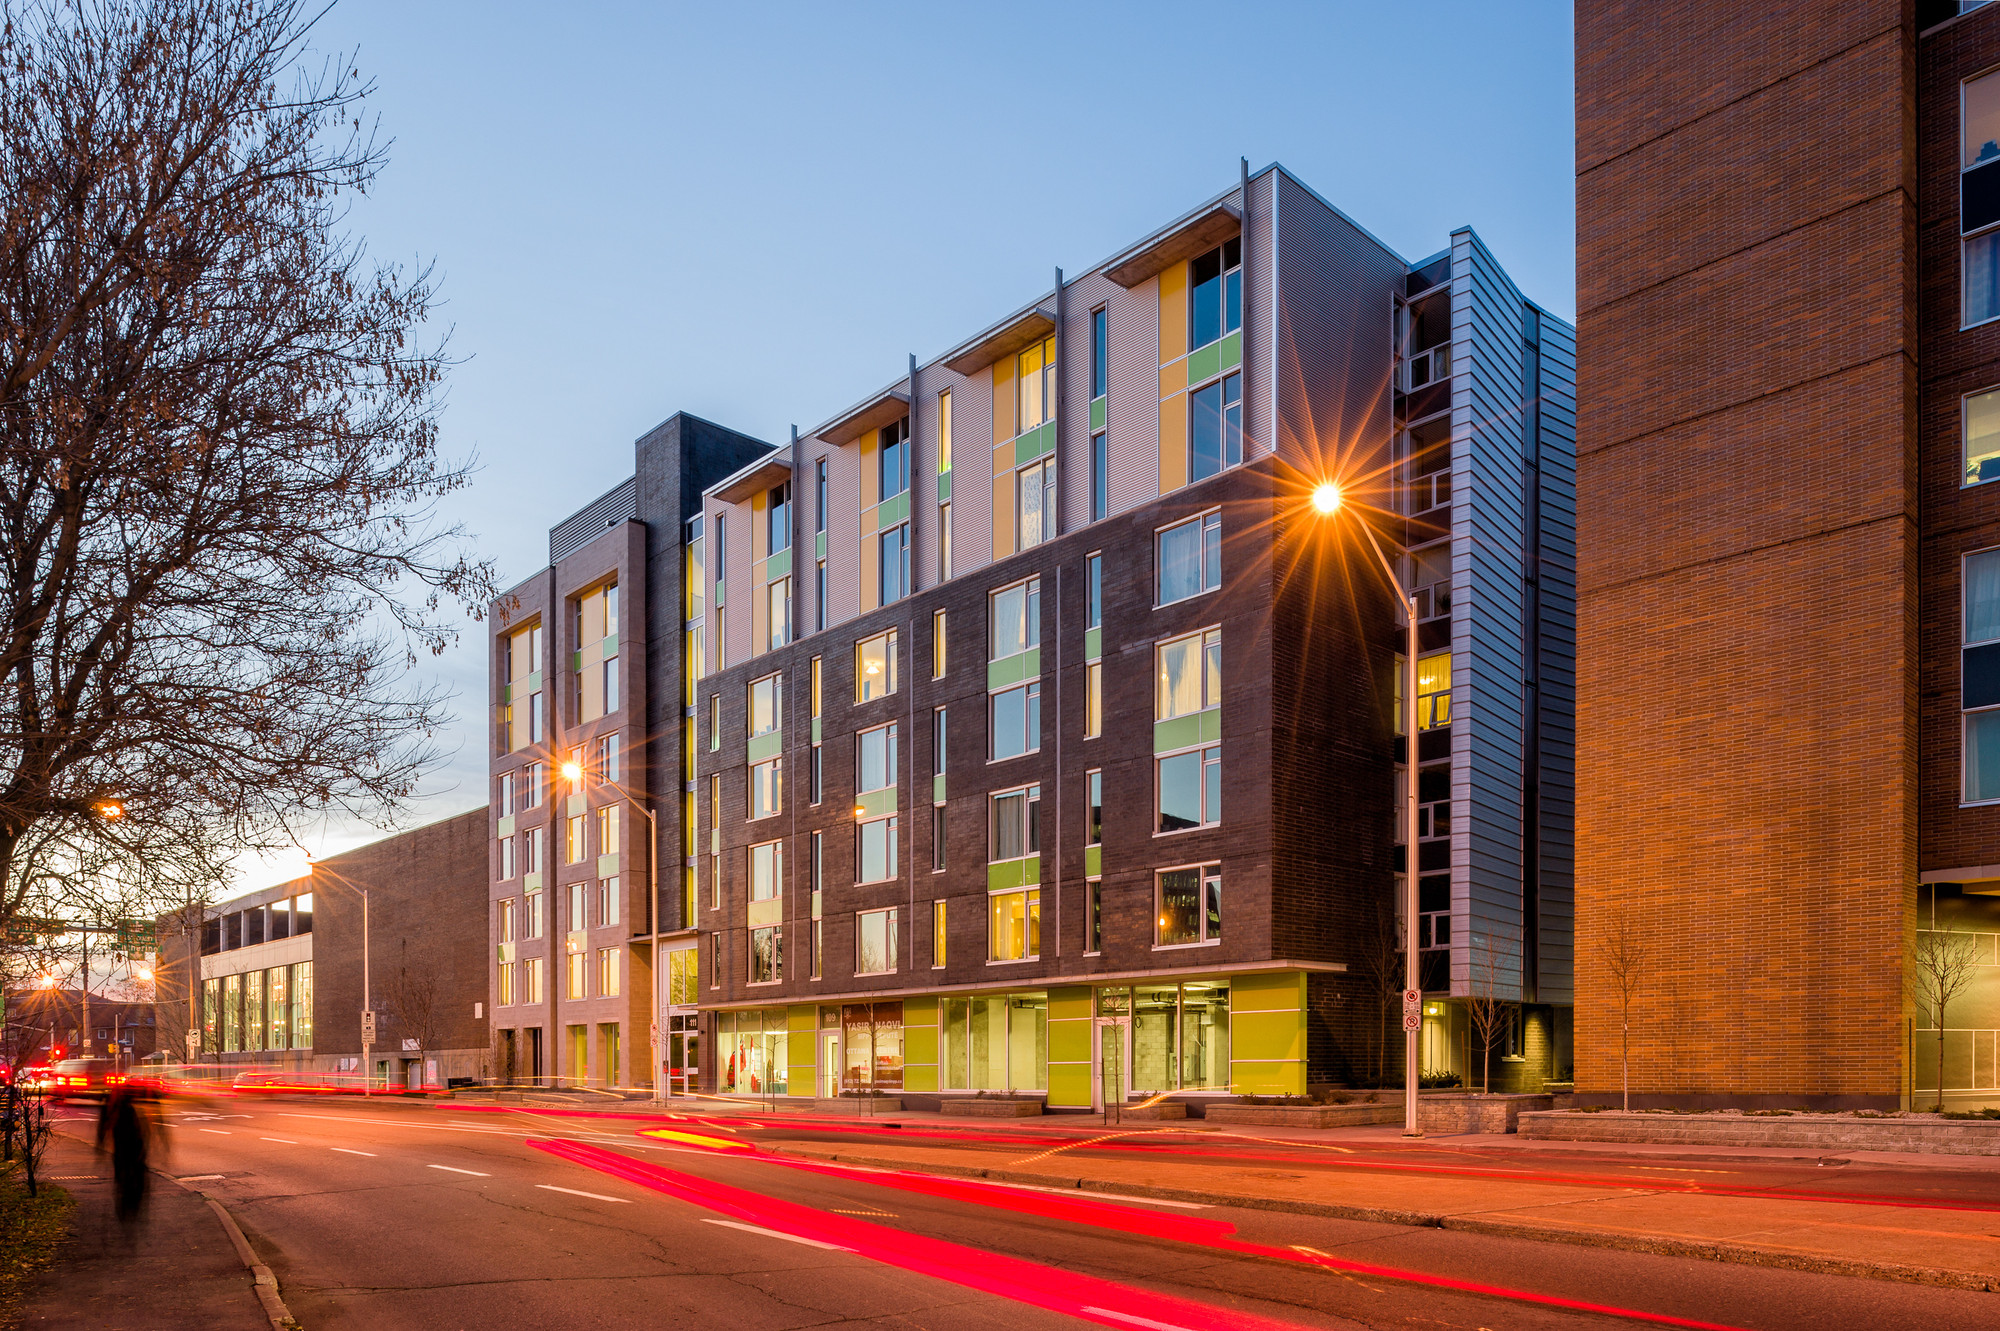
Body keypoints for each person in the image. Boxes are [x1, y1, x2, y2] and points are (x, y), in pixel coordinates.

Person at [96, 1083, 155, 1222]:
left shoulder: (111, 1108)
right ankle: (133, 1201)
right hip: (132, 1146)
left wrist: (100, 1143)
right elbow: (140, 1131)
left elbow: (102, 1127)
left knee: (122, 1172)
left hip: (121, 1148)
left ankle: (124, 1197)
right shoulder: (129, 1109)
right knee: (136, 1172)